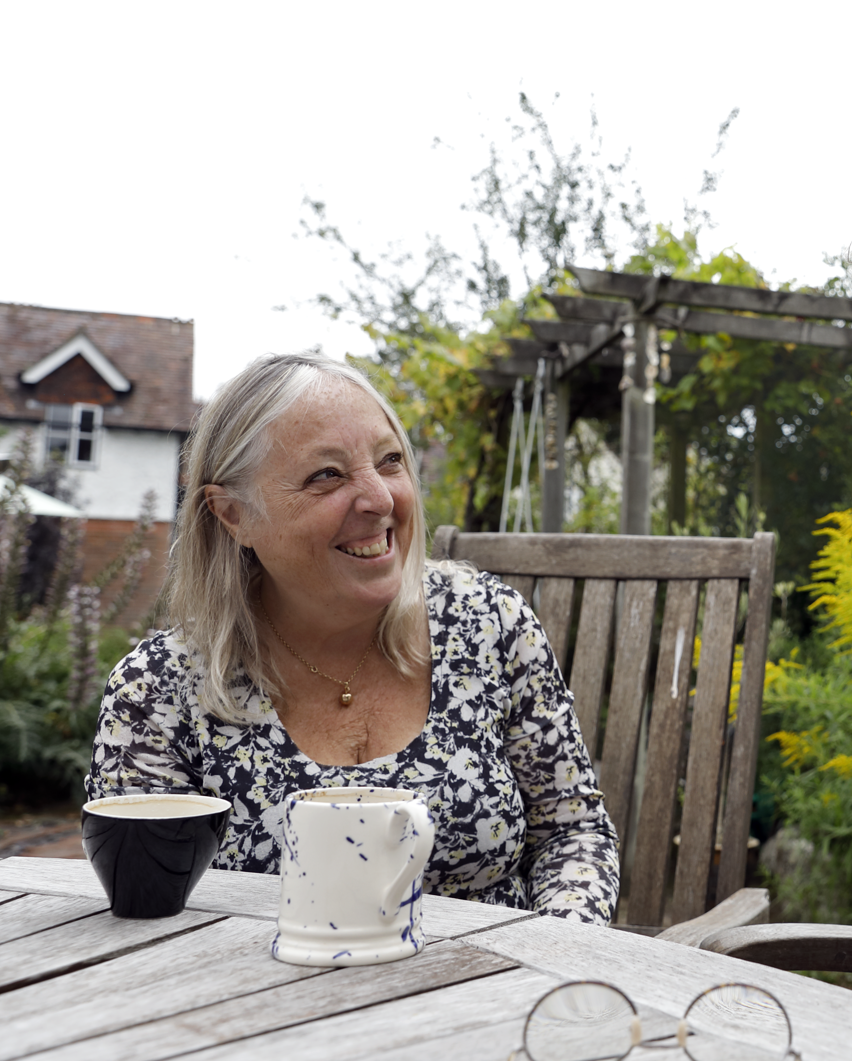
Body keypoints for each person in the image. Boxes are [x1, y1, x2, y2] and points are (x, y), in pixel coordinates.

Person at [87, 352, 618, 922]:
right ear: (233, 514)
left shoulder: (490, 624)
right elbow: (145, 899)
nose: (381, 499)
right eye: (327, 475)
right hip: (269, 977)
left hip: (493, 972)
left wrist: (552, 949)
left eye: (390, 461)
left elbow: (573, 833)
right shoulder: (160, 690)